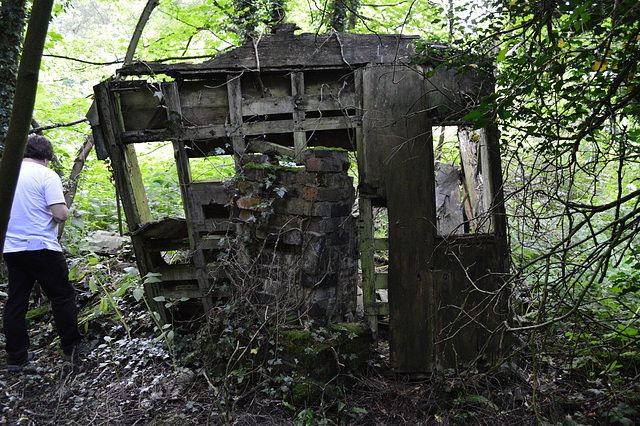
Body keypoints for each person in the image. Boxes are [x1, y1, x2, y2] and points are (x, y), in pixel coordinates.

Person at [2, 134, 83, 372]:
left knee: (16, 301)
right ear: (47, 157)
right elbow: (60, 214)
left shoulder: (8, 173)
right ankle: (71, 348)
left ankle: (16, 358)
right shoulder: (47, 175)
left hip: (13, 249)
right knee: (62, 296)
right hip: (42, 246)